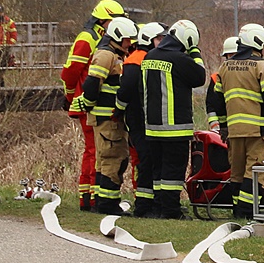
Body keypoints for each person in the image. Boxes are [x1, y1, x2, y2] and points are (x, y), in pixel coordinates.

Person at [207, 23, 264, 220]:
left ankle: (237, 211)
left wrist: (223, 126)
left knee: (237, 173)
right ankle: (247, 213)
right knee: (256, 171)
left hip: (234, 131)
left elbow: (217, 101)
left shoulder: (224, 67)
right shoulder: (262, 66)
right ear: (257, 43)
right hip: (258, 131)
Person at [61, 0, 125, 211]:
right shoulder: (88, 37)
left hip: (95, 102)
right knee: (93, 150)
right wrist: (71, 97)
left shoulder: (104, 39)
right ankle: (88, 198)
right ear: (103, 20)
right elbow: (71, 71)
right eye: (114, 21)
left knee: (96, 151)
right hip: (87, 101)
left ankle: (92, 197)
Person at [140, 19, 207, 219]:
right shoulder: (180, 59)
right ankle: (171, 211)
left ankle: (160, 207)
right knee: (173, 172)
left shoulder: (149, 56)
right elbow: (199, 77)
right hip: (175, 127)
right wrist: (195, 52)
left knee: (158, 171)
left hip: (152, 127)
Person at [81, 16, 138, 215]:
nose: (129, 44)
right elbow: (92, 83)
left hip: (110, 118)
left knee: (106, 160)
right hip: (107, 119)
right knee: (114, 160)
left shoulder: (114, 54)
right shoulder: (106, 55)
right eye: (127, 40)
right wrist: (88, 104)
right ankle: (108, 205)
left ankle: (102, 202)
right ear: (117, 37)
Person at [116, 21, 164, 217]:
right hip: (138, 118)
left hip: (147, 118)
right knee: (146, 160)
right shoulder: (136, 60)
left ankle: (150, 203)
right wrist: (119, 112)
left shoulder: (147, 58)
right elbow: (125, 91)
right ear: (149, 39)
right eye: (159, 38)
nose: (162, 42)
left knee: (150, 160)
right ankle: (144, 205)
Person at [205, 36, 240, 136]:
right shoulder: (216, 78)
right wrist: (215, 127)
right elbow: (210, 105)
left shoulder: (247, 77)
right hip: (222, 129)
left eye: (236, 55)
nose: (233, 58)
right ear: (226, 56)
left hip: (243, 128)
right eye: (231, 55)